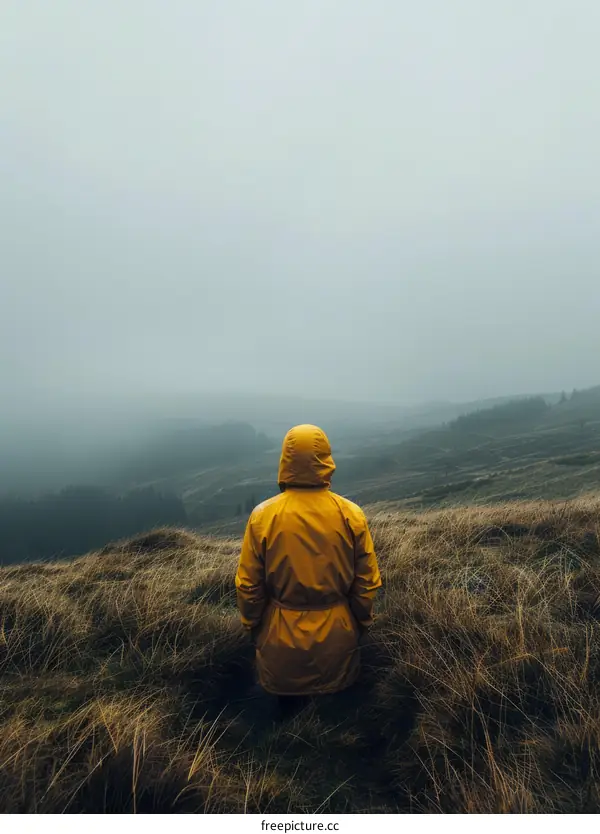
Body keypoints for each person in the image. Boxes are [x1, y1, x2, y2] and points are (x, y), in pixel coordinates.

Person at [235, 424, 382, 710]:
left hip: (279, 642)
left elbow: (248, 586)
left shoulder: (263, 516)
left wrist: (254, 627)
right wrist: (359, 624)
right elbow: (367, 583)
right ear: (326, 459)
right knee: (337, 722)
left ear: (285, 460)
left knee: (287, 726)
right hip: (338, 642)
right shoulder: (350, 514)